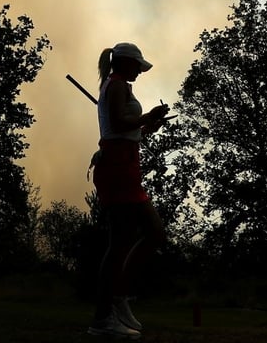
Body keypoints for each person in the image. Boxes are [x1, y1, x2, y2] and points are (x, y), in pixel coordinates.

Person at [88, 42, 169, 339]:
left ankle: (119, 298)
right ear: (124, 63)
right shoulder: (117, 84)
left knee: (154, 233)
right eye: (138, 65)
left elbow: (126, 129)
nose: (140, 70)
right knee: (119, 243)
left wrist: (149, 126)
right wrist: (147, 116)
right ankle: (103, 316)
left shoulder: (119, 85)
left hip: (127, 164)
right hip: (117, 167)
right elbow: (121, 122)